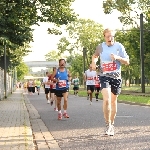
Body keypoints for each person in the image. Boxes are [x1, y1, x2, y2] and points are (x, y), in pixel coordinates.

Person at [92, 28, 129, 136]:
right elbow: (95, 56)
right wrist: (94, 63)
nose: (110, 38)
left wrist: (117, 57)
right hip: (104, 76)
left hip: (116, 77)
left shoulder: (119, 46)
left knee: (113, 102)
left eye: (111, 36)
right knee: (107, 100)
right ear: (104, 37)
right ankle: (107, 124)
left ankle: (112, 124)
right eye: (107, 36)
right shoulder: (100, 47)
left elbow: (127, 61)